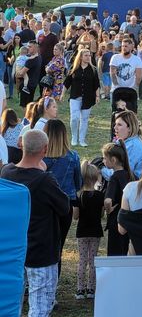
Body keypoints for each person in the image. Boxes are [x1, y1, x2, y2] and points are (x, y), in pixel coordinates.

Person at [1, 130, 69, 317]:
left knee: (10, 302)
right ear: (45, 149)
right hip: (41, 252)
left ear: (21, 145)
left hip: (14, 250)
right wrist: (44, 172)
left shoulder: (6, 173)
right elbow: (64, 207)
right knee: (40, 307)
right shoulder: (45, 180)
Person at [43, 119, 82, 276]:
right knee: (58, 247)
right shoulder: (72, 157)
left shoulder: (40, 158)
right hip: (65, 205)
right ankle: (54, 283)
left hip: (43, 205)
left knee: (42, 245)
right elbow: (78, 184)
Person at [73, 161, 104, 300]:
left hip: (82, 232)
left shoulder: (78, 196)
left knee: (82, 260)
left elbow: (75, 216)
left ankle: (80, 289)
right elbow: (102, 214)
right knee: (92, 261)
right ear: (96, 177)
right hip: (95, 231)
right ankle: (91, 289)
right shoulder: (100, 196)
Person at [62, 49, 100, 147]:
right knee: (74, 118)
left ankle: (82, 139)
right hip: (75, 97)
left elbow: (96, 84)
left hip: (88, 98)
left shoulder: (93, 70)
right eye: (86, 55)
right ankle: (74, 137)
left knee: (84, 119)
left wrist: (97, 96)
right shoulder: (74, 68)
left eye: (89, 55)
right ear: (81, 57)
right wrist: (62, 94)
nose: (88, 57)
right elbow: (67, 82)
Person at [103, 142, 134, 256]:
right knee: (124, 250)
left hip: (116, 221)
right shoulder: (131, 175)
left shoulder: (114, 177)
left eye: (105, 158)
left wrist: (108, 210)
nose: (103, 161)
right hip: (129, 220)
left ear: (113, 160)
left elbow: (108, 200)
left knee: (114, 252)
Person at [105, 110, 142, 179]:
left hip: (133, 184)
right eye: (115, 124)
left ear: (129, 128)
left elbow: (119, 174)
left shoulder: (133, 146)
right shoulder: (126, 142)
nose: (115, 128)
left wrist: (100, 169)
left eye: (119, 125)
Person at [19, 40, 42, 107]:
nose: (28, 48)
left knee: (25, 106)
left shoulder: (31, 60)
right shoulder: (39, 57)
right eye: (27, 46)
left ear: (35, 48)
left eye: (30, 47)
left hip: (27, 85)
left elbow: (21, 73)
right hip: (33, 84)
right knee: (29, 105)